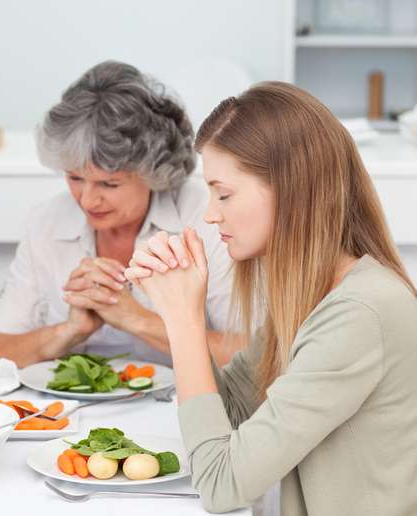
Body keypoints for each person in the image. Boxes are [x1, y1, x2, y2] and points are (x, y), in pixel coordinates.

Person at [126, 82, 417, 515]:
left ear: (292, 188)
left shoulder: (357, 315)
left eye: (224, 193)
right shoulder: (315, 297)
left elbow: (221, 485)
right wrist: (175, 314)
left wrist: (186, 320)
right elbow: (233, 415)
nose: (210, 213)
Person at [0, 61, 240, 368]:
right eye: (75, 178)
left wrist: (136, 319)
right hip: (70, 415)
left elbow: (252, 358)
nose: (88, 200)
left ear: (154, 172)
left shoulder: (207, 218)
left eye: (109, 183)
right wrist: (69, 331)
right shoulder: (47, 222)